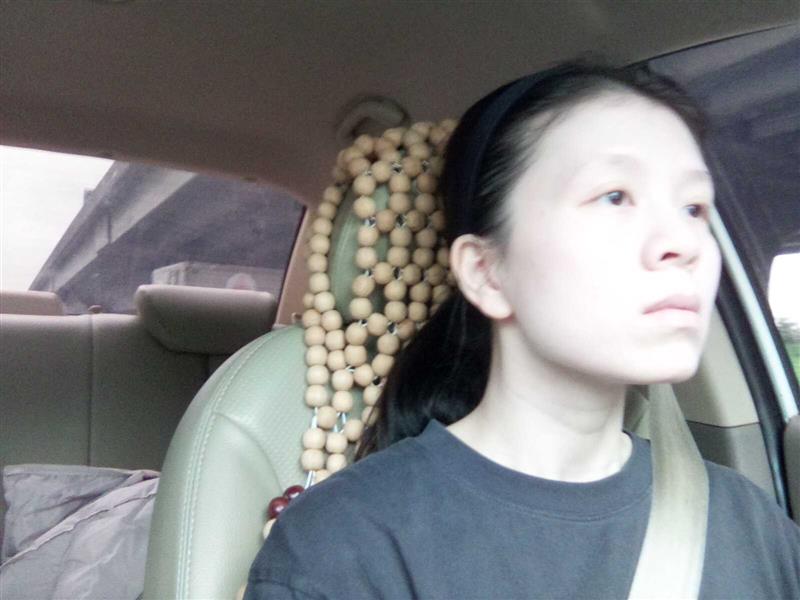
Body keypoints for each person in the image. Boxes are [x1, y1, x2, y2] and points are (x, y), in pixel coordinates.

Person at [245, 63, 800, 599]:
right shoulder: (341, 548)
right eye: (614, 196)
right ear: (486, 273)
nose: (683, 242)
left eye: (694, 207)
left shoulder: (753, 526)